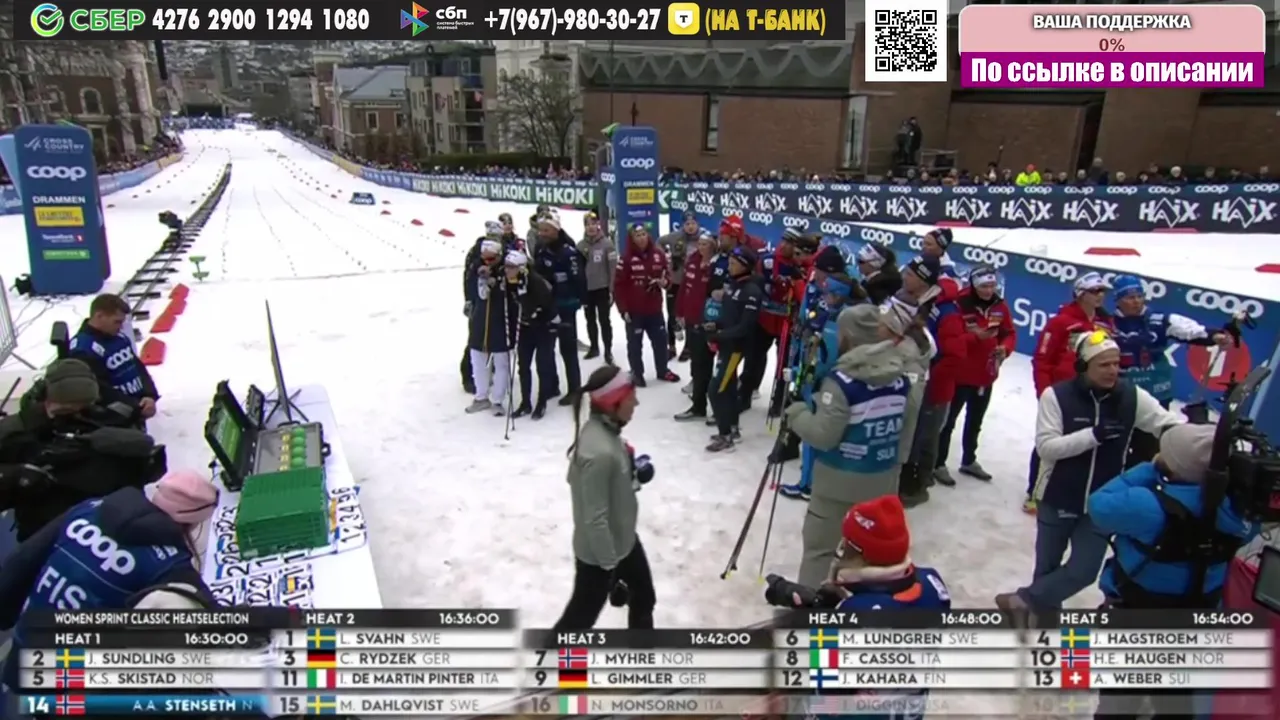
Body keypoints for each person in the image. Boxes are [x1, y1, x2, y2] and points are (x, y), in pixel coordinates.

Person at [994, 330, 1181, 622]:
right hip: (1056, 496)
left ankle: (1023, 601)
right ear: (1083, 366)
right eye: (1104, 364)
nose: (1113, 371)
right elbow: (1047, 448)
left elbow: (1165, 423)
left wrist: (1194, 437)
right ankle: (1045, 624)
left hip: (1101, 503)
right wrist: (1093, 435)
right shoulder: (1056, 396)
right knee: (1046, 569)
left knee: (1084, 571)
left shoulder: (1132, 396)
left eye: (1116, 364)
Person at [1088, 424, 1260, 719]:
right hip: (1197, 617)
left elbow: (1098, 505)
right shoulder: (1237, 512)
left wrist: (1149, 468)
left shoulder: (1146, 506)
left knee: (1119, 698)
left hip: (1137, 616)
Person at [0, 471, 220, 691]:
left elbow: (21, 563)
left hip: (25, 654)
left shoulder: (87, 509)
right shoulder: (167, 566)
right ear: (192, 524)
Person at [785, 304, 909, 586]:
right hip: (881, 479)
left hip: (837, 481)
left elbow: (824, 435)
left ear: (850, 335)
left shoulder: (841, 380)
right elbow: (905, 428)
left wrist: (798, 413)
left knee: (820, 551)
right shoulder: (900, 376)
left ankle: (811, 608)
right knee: (869, 555)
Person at [0, 359, 165, 541]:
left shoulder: (107, 422)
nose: (74, 415)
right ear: (47, 398)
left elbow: (135, 476)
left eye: (82, 407)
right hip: (43, 534)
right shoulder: (15, 431)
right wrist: (15, 477)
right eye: (65, 410)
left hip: (101, 531)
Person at [552, 365, 655, 631]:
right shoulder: (599, 453)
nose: (636, 403)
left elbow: (607, 483)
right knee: (577, 624)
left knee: (644, 598)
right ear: (613, 403)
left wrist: (633, 472)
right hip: (599, 555)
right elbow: (594, 519)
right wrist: (610, 568)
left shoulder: (605, 432)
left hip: (623, 540)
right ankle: (555, 658)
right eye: (631, 398)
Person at [1109, 274, 1232, 467]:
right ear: (1118, 299)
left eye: (1140, 296)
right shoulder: (1107, 323)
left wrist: (1215, 336)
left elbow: (1192, 330)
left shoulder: (1160, 320)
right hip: (1123, 392)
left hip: (1156, 391)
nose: (1137, 301)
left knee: (1151, 444)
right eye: (1130, 297)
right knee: (1117, 441)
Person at [1026, 271, 1116, 514]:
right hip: (1061, 393)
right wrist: (1044, 393)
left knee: (1080, 441)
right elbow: (1042, 359)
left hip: (1091, 394)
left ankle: (1069, 491)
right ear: (1080, 294)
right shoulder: (1060, 322)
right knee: (1049, 442)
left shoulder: (1106, 322)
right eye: (1094, 291)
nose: (1100, 295)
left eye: (1102, 291)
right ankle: (1034, 491)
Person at [779, 272, 863, 501]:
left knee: (813, 435)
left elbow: (823, 361)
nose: (824, 296)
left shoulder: (839, 322)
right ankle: (815, 482)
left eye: (828, 293)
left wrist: (798, 374)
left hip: (822, 386)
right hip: (828, 384)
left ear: (838, 295)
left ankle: (807, 485)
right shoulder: (841, 314)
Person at [935, 265, 1016, 484]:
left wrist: (1005, 348)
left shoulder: (1000, 306)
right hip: (959, 375)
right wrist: (975, 338)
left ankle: (969, 460)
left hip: (985, 376)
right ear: (973, 285)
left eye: (992, 286)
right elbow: (950, 337)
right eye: (984, 286)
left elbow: (1009, 333)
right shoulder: (958, 305)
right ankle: (938, 463)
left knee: (975, 421)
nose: (989, 291)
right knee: (948, 422)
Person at [902, 257, 967, 495]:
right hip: (915, 382)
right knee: (911, 435)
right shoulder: (914, 301)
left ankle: (918, 486)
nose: (904, 277)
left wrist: (927, 382)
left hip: (933, 389)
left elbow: (955, 356)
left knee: (924, 437)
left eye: (910, 274)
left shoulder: (947, 311)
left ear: (923, 280)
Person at [742, 228, 813, 413]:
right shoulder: (767, 260)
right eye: (784, 241)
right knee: (752, 358)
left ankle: (778, 401)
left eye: (791, 243)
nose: (785, 246)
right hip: (764, 319)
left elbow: (805, 296)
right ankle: (745, 395)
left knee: (783, 364)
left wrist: (797, 280)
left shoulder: (803, 267)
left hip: (787, 323)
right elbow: (754, 284)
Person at [68, 293, 159, 427]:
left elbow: (137, 367)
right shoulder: (83, 349)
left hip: (136, 410)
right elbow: (99, 390)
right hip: (115, 420)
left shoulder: (119, 337)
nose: (120, 327)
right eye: (117, 322)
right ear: (99, 316)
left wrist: (149, 395)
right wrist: (136, 406)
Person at [705, 245, 763, 453]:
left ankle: (725, 436)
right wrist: (714, 325)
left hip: (736, 348)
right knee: (728, 388)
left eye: (733, 263)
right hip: (727, 345)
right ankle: (732, 428)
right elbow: (729, 317)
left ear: (744, 266)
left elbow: (744, 327)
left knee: (716, 390)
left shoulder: (752, 291)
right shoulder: (732, 285)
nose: (729, 266)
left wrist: (719, 335)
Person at [614, 224, 679, 387]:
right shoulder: (626, 258)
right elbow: (618, 286)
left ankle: (663, 370)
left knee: (660, 342)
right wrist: (623, 309)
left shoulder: (658, 255)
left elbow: (668, 278)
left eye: (644, 234)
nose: (642, 238)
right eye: (637, 235)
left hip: (654, 309)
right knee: (635, 345)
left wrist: (664, 283)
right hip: (634, 311)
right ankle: (637, 373)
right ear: (632, 239)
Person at [533, 211, 587, 406]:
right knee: (547, 349)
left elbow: (578, 280)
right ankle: (551, 385)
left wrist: (578, 300)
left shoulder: (569, 252)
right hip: (546, 306)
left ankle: (575, 389)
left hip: (565, 306)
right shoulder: (541, 249)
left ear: (556, 230)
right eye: (541, 230)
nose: (543, 234)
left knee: (568, 349)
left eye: (547, 230)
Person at [464, 239, 517, 416]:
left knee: (501, 361)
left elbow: (515, 288)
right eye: (484, 258)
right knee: (477, 358)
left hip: (501, 321)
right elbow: (470, 288)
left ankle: (498, 400)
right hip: (480, 321)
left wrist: (499, 282)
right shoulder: (476, 266)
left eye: (491, 259)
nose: (487, 262)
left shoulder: (507, 267)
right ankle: (481, 396)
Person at [505, 250, 557, 420]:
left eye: (511, 267)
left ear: (521, 267)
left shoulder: (535, 281)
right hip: (525, 328)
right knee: (523, 365)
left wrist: (534, 311)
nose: (507, 270)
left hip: (543, 328)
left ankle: (542, 402)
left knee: (543, 365)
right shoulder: (510, 281)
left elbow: (547, 304)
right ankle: (525, 402)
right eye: (506, 266)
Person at [460, 221, 509, 394]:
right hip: (478, 302)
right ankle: (468, 376)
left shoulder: (504, 249)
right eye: (491, 235)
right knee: (475, 341)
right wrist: (469, 299)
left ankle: (491, 373)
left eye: (497, 236)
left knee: (495, 340)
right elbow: (468, 276)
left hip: (497, 303)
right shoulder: (477, 251)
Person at [674, 231, 717, 422]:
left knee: (707, 365)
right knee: (697, 362)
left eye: (705, 244)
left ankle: (713, 405)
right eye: (699, 244)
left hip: (709, 321)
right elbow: (684, 287)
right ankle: (699, 403)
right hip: (692, 320)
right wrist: (679, 312)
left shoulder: (717, 265)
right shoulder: (692, 261)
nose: (701, 247)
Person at [659, 211, 701, 360]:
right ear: (683, 225)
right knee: (672, 314)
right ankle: (671, 346)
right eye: (687, 224)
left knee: (689, 316)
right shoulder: (674, 237)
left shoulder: (702, 239)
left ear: (697, 224)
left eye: (693, 223)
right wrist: (665, 258)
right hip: (675, 281)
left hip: (691, 283)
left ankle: (688, 347)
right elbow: (659, 242)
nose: (690, 227)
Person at [577, 211, 617, 363]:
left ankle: (608, 350)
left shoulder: (607, 244)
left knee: (604, 320)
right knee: (590, 320)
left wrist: (612, 289)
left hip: (603, 288)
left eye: (593, 224)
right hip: (587, 290)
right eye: (588, 225)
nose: (591, 227)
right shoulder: (580, 246)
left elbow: (613, 268)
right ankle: (594, 347)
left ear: (598, 225)